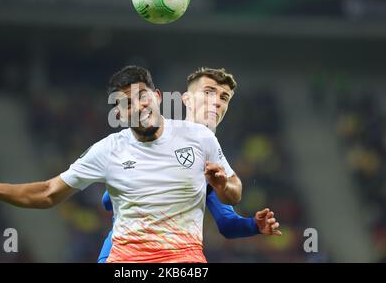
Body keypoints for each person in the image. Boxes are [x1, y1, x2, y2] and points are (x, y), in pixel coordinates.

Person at [0, 65, 242, 263]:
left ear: (158, 97)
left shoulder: (198, 137)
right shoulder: (108, 151)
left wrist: (222, 185)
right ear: (120, 114)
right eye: (126, 103)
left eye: (142, 97)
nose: (138, 107)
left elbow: (234, 192)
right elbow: (48, 193)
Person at [97, 68, 281, 263]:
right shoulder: (155, 134)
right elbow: (107, 201)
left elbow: (227, 223)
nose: (217, 102)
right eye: (208, 93)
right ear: (187, 100)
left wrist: (254, 225)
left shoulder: (210, 161)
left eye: (224, 97)